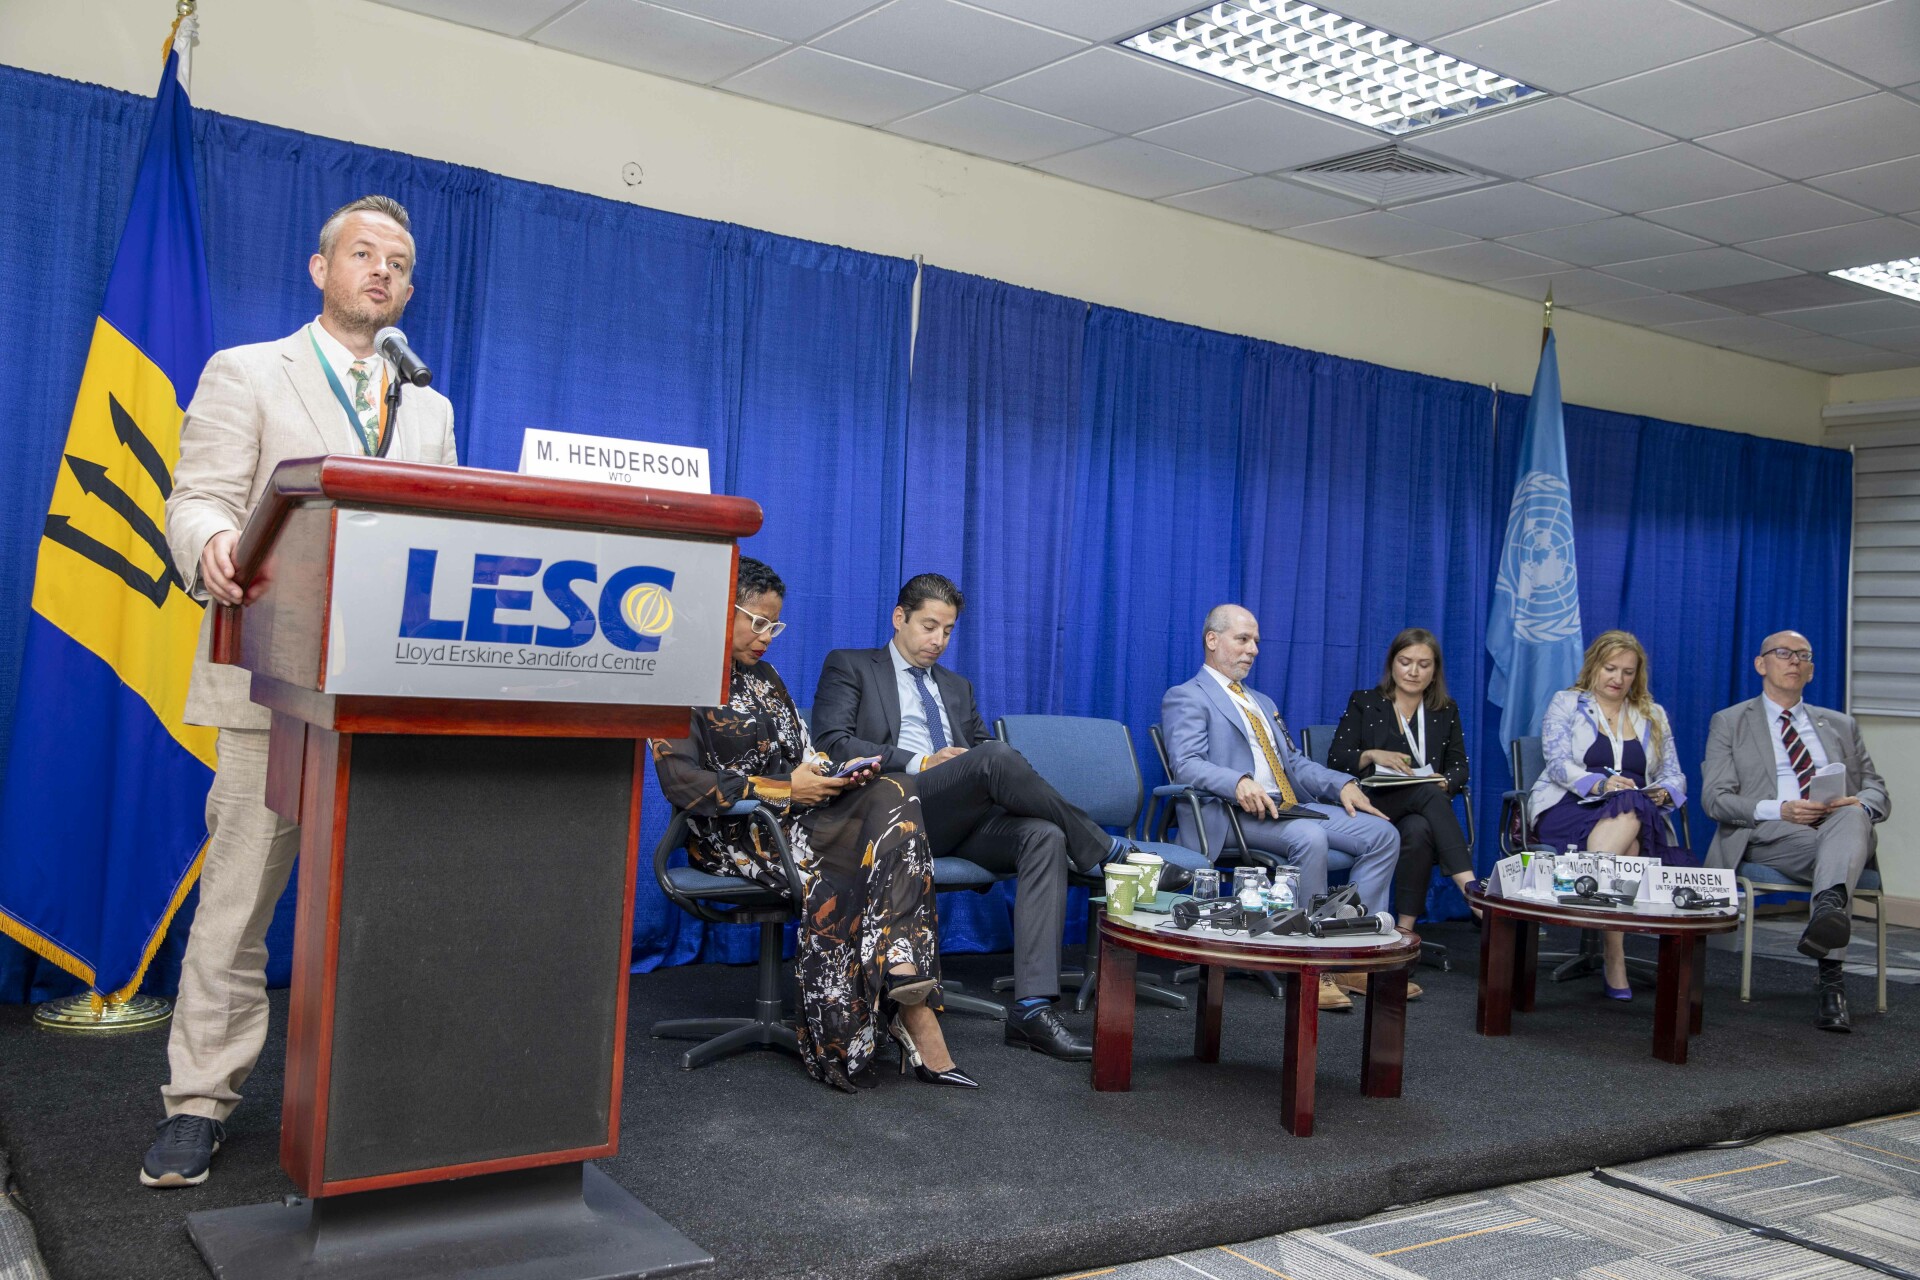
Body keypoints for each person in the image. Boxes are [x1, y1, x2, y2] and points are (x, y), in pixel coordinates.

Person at [146, 196, 458, 1188]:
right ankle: (198, 1101)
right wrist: (212, 544)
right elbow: (197, 497)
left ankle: (374, 1095)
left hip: (388, 697)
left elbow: (445, 535)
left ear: (408, 289)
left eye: (396, 262)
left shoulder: (429, 405)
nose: (381, 271)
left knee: (383, 909)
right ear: (320, 268)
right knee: (238, 903)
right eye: (362, 253)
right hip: (268, 686)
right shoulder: (248, 370)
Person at [652, 560, 974, 1093]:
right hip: (732, 831)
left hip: (797, 816)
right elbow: (683, 784)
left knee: (894, 789)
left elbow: (803, 753)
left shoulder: (767, 677)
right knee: (856, 861)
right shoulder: (678, 678)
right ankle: (900, 1014)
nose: (767, 637)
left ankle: (902, 981)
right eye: (758, 622)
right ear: (719, 611)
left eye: (774, 626)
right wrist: (785, 789)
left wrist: (833, 774)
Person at [814, 573, 1140, 1063]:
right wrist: (923, 761)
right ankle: (1107, 850)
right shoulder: (851, 665)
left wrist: (976, 764)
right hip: (893, 812)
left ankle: (1031, 1010)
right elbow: (832, 743)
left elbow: (983, 751)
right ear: (899, 618)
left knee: (1043, 835)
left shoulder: (956, 686)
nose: (938, 641)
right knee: (997, 758)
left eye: (948, 631)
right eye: (929, 626)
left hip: (958, 820)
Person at [1161, 605, 1403, 1012]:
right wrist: (1237, 781)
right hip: (1231, 814)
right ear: (1212, 640)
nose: (1253, 649)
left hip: (1287, 807)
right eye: (1243, 639)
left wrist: (1341, 783)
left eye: (1256, 641)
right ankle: (1309, 965)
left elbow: (1294, 764)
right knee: (1310, 836)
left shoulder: (1262, 701)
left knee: (1383, 835)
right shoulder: (1186, 696)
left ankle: (1351, 955)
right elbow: (1186, 764)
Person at [1701, 630, 1889, 1033]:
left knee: (1852, 816)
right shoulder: (1730, 722)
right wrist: (1781, 808)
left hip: (1838, 827)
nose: (1795, 661)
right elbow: (1715, 799)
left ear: (1812, 670)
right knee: (1840, 856)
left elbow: (1876, 790)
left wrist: (1858, 803)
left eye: (1804, 655)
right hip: (1772, 832)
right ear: (1761, 664)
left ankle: (1827, 908)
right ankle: (1831, 983)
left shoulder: (1840, 724)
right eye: (1784, 653)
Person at [1529, 630, 1686, 1001]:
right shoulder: (1567, 703)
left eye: (1628, 672)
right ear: (1594, 666)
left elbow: (1674, 773)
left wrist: (1664, 792)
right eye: (1610, 668)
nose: (1618, 678)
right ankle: (1614, 956)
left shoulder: (1653, 714)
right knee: (1628, 839)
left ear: (1637, 675)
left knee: (1631, 808)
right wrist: (1600, 785)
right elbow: (1557, 763)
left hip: (1636, 809)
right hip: (1570, 805)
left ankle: (1584, 888)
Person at [1328, 628, 1474, 933]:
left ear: (1434, 671)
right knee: (1427, 794)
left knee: (1419, 829)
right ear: (1392, 664)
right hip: (1372, 804)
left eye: (1424, 664)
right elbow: (1336, 759)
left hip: (1421, 810)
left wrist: (1444, 781)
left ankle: (1405, 930)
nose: (1413, 671)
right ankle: (1471, 890)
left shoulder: (1445, 710)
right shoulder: (1365, 702)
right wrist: (1372, 755)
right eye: (1405, 662)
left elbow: (1460, 767)